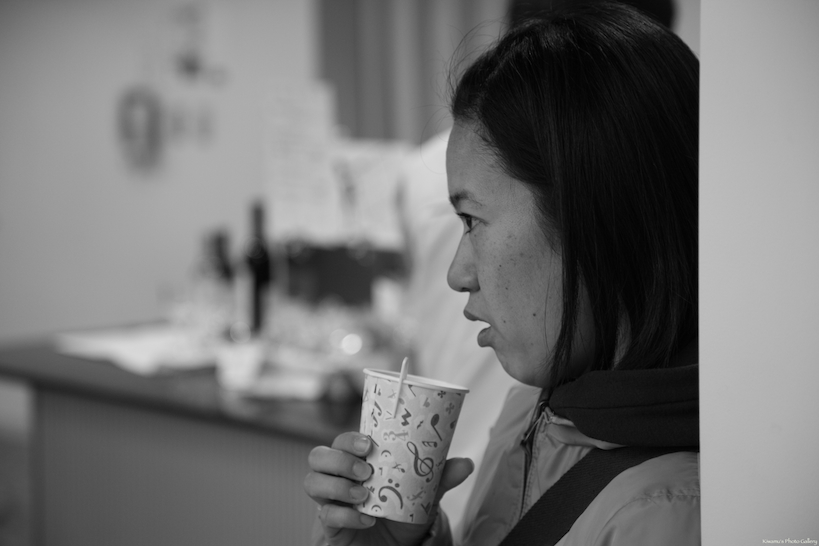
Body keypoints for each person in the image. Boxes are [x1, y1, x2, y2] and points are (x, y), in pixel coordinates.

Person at [304, 2, 699, 545]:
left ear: (592, 215)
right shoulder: (534, 413)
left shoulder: (663, 515)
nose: (456, 274)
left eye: (472, 220)